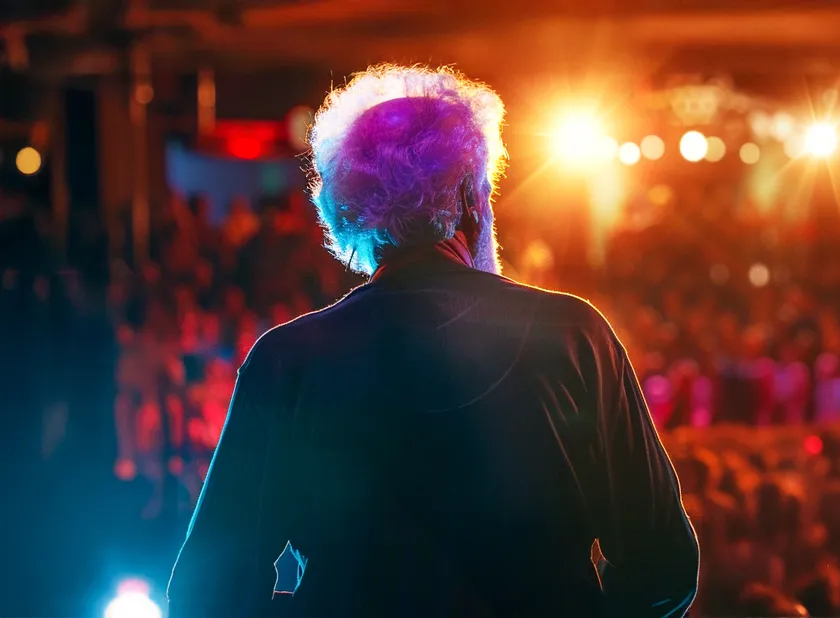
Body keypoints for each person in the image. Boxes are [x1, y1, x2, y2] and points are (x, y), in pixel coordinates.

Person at [167, 64, 699, 618]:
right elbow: (662, 565)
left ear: (348, 213)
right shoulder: (572, 337)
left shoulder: (288, 362)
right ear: (474, 198)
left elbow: (207, 592)